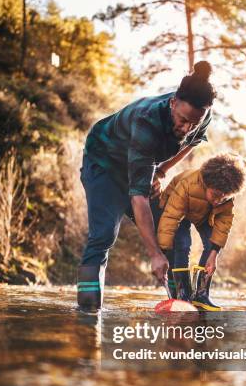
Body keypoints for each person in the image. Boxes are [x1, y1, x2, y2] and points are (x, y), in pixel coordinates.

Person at [78, 61, 216, 311]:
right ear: (173, 102)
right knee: (104, 235)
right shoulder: (147, 121)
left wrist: (161, 171)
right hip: (104, 164)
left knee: (170, 230)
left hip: (142, 165)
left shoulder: (201, 115)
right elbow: (138, 197)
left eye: (193, 124)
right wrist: (154, 254)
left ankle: (181, 304)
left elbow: (191, 143)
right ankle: (88, 314)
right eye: (182, 119)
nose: (186, 128)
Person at [156, 152, 246, 311]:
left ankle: (201, 295)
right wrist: (162, 253)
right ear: (206, 183)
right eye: (215, 195)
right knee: (182, 244)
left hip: (202, 213)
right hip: (175, 208)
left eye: (223, 198)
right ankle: (184, 295)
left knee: (211, 245)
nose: (218, 201)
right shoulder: (188, 184)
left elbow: (223, 226)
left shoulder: (225, 195)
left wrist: (214, 253)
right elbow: (170, 218)